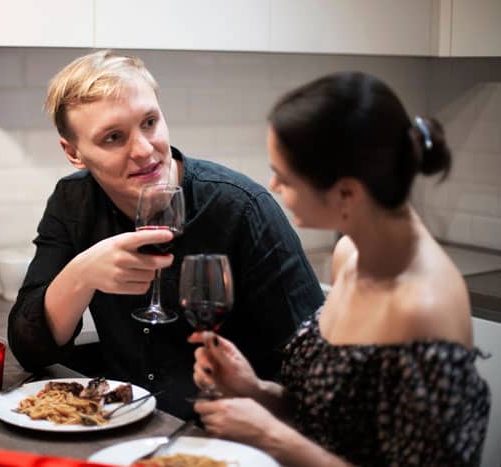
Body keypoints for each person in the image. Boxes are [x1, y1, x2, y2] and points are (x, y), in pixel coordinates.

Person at [190, 71, 491, 465]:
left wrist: (270, 436)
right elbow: (327, 422)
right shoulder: (349, 256)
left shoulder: (422, 308)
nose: (274, 186)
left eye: (285, 177)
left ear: (347, 193)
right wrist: (255, 391)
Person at [7, 50, 324, 418]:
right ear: (74, 153)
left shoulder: (241, 208)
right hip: (125, 423)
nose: (144, 150)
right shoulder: (72, 201)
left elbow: (314, 371)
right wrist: (82, 274)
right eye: (113, 137)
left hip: (227, 431)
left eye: (150, 122)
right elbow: (28, 350)